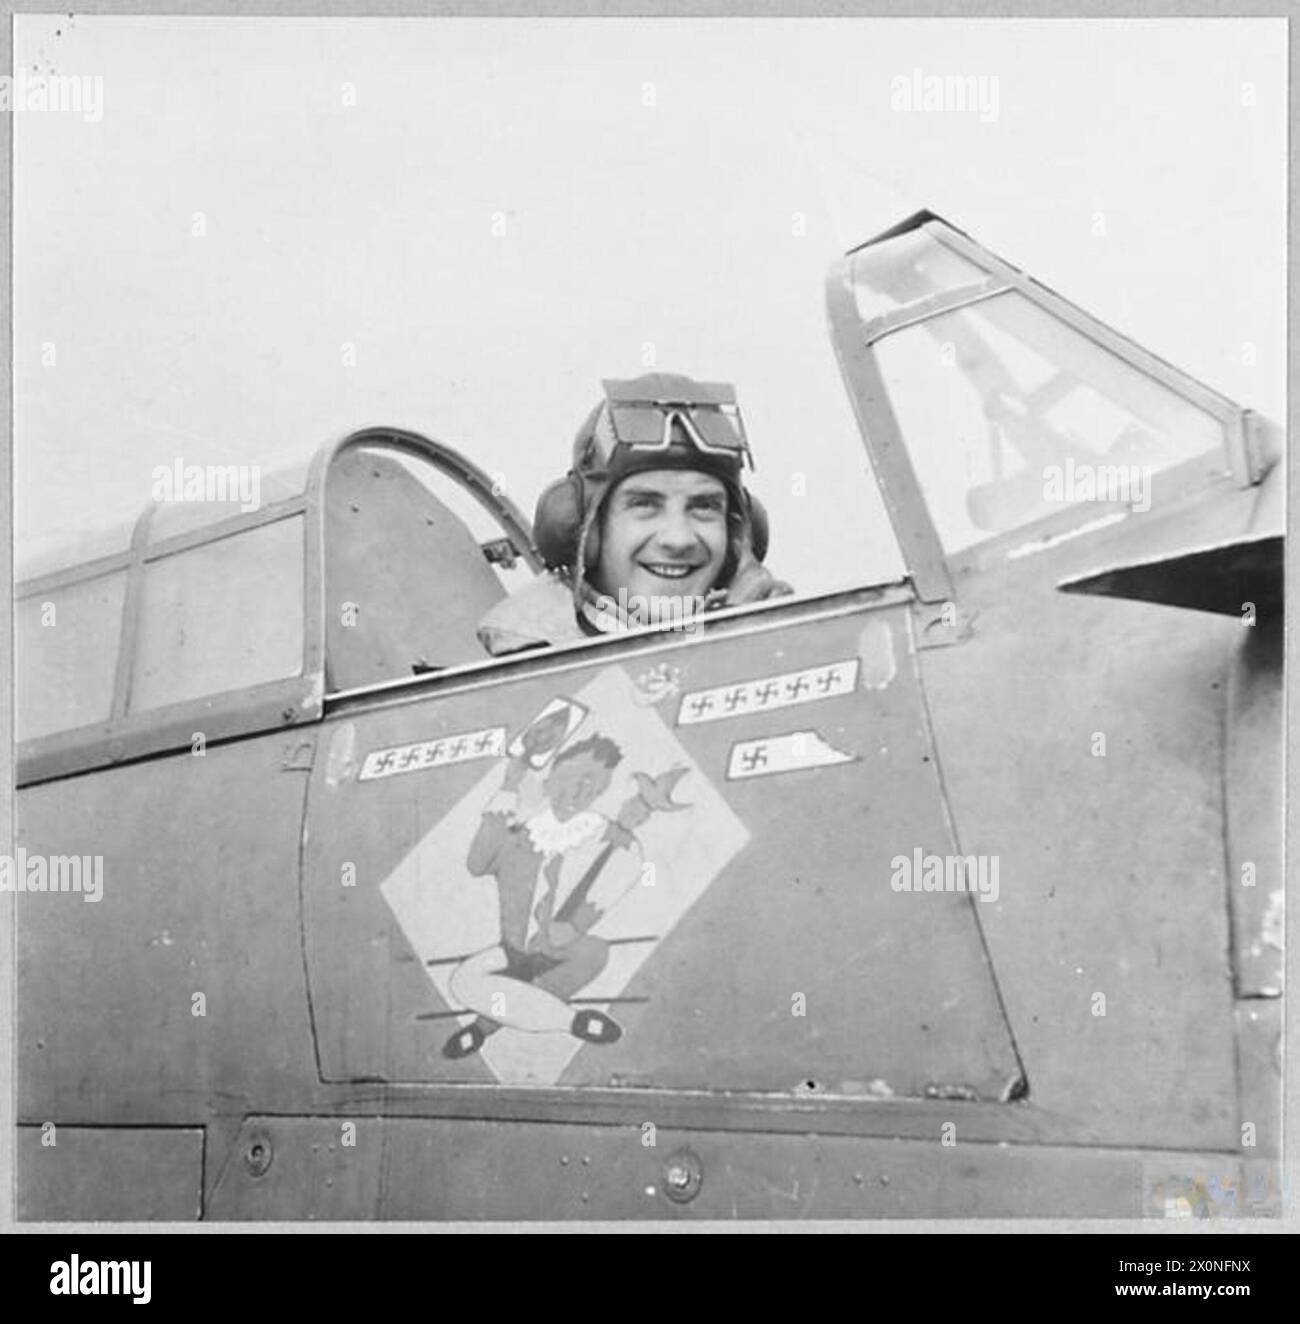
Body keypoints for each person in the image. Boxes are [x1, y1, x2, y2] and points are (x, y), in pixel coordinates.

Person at [477, 373, 792, 656]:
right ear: (586, 528)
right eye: (645, 506)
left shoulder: (759, 630)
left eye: (704, 507)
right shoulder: (524, 665)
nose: (678, 539)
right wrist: (726, 648)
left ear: (737, 535)